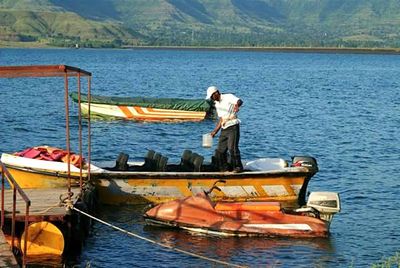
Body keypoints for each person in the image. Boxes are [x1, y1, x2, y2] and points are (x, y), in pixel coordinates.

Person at [206, 86, 243, 172]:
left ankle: (238, 167)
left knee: (232, 148)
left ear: (216, 93)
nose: (212, 99)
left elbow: (240, 101)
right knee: (220, 150)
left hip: (233, 126)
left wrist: (237, 106)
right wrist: (215, 132)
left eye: (212, 96)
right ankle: (224, 168)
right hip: (224, 128)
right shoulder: (217, 104)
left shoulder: (228, 97)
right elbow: (221, 119)